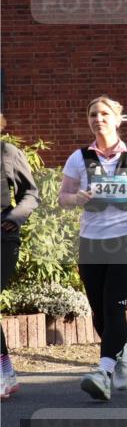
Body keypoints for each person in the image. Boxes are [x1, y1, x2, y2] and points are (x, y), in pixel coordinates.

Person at [58, 96, 127, 401]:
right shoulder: (79, 158)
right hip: (92, 242)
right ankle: (121, 350)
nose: (97, 118)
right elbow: (64, 196)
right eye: (92, 114)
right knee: (100, 312)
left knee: (115, 303)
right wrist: (78, 198)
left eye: (103, 113)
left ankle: (103, 370)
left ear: (117, 119)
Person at [1, 138, 40, 400]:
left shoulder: (7, 151)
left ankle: (4, 375)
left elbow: (31, 193)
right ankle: (6, 374)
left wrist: (15, 218)